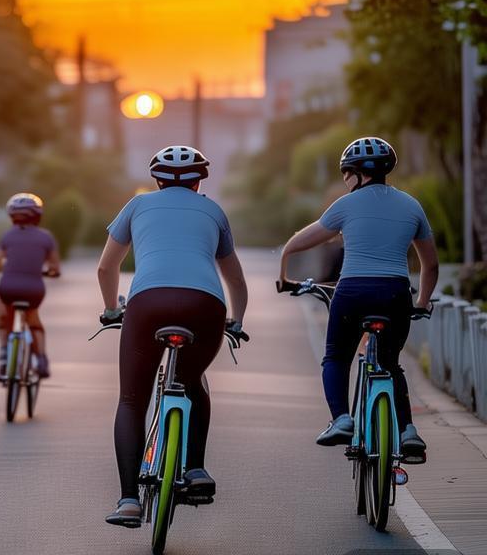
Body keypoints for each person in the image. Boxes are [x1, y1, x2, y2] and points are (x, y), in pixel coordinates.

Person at [97, 145, 249, 528]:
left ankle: (129, 500)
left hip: (147, 302)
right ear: (199, 181)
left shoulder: (137, 207)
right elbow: (235, 279)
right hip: (206, 305)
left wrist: (112, 310)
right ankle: (196, 469)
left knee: (132, 400)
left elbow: (106, 267)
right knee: (193, 381)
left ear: (157, 179)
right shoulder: (213, 210)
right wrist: (237, 320)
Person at [280, 136, 436, 456]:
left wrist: (284, 271)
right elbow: (430, 265)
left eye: (345, 173)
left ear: (355, 174)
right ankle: (408, 431)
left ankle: (340, 419)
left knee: (336, 357)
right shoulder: (411, 205)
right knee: (391, 363)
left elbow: (303, 240)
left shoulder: (345, 205)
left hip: (351, 292)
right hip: (395, 294)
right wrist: (421, 303)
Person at [0, 192, 60, 379]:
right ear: (37, 215)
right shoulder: (46, 237)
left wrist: (5, 265)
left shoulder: (7, 236)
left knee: (0, 304)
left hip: (8, 288)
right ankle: (41, 359)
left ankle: (4, 352)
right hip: (34, 289)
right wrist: (49, 272)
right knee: (34, 322)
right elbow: (54, 267)